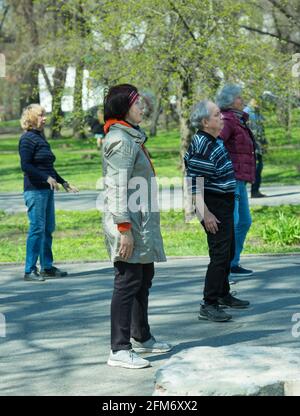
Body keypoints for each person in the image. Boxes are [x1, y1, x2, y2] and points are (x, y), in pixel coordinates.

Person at [102, 84, 172, 369]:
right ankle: (119, 349)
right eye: (137, 104)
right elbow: (116, 187)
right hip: (127, 224)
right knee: (127, 282)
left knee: (143, 278)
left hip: (139, 222)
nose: (142, 108)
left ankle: (141, 337)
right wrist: (123, 228)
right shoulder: (120, 140)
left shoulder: (131, 136)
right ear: (123, 108)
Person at [184, 100, 250, 323]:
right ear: (205, 122)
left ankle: (223, 294)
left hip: (224, 202)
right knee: (219, 255)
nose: (221, 118)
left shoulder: (215, 140)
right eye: (216, 116)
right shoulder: (202, 144)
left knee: (228, 250)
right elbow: (195, 184)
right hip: (212, 205)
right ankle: (209, 303)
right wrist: (205, 213)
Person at [19, 104, 78, 282]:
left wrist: (63, 182)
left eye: (44, 115)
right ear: (30, 118)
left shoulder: (40, 138)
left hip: (47, 190)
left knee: (47, 229)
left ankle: (46, 267)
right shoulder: (27, 139)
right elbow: (26, 166)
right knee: (37, 229)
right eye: (40, 115)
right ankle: (29, 270)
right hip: (35, 190)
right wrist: (46, 178)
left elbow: (48, 166)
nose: (44, 118)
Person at [216, 84, 256, 278]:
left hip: (240, 179)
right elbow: (216, 144)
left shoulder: (238, 119)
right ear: (230, 101)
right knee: (234, 222)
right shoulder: (227, 120)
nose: (243, 99)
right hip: (231, 179)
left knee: (244, 221)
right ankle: (225, 265)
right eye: (239, 97)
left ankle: (232, 262)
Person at [244, 99, 268, 198]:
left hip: (259, 146)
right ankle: (238, 191)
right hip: (250, 146)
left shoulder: (258, 114)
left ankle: (255, 191)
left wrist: (265, 144)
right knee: (250, 169)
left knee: (258, 167)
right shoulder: (246, 112)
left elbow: (261, 130)